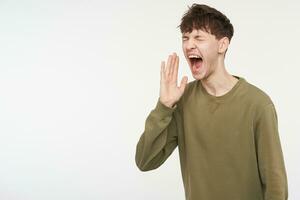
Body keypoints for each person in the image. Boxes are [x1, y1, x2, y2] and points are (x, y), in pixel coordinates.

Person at [135, 3, 288, 200]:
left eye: (198, 37)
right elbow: (145, 161)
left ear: (222, 45)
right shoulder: (183, 101)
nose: (189, 44)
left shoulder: (258, 104)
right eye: (185, 38)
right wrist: (163, 107)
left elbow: (276, 184)